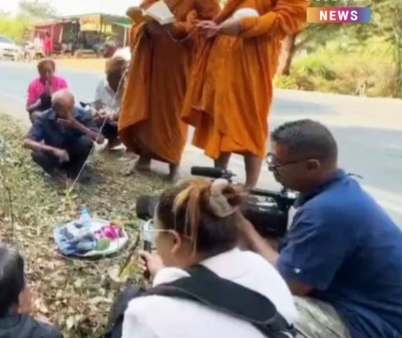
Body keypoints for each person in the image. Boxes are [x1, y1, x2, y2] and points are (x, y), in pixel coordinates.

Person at [238, 119, 402, 338]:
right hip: (366, 305)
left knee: (259, 310)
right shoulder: (341, 191)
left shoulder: (328, 211)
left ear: (312, 166)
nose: (272, 169)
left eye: (278, 164)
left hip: (372, 322)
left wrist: (243, 227)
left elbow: (288, 284)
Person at [181, 0, 310, 188]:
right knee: (221, 122)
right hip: (224, 63)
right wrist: (215, 28)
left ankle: (250, 186)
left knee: (250, 123)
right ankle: (220, 179)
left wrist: (246, 25)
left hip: (253, 64)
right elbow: (228, 17)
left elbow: (292, 17)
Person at [116, 178, 298, 337]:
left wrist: (165, 283)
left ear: (175, 241)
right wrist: (164, 276)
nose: (154, 238)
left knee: (127, 299)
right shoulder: (262, 269)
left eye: (155, 230)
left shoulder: (148, 313)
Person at [119, 0, 221, 180]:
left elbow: (212, 27)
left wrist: (176, 28)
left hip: (179, 66)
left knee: (173, 114)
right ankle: (144, 157)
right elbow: (137, 23)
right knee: (145, 110)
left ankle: (173, 163)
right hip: (150, 65)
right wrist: (145, 28)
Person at [24, 90, 102, 181]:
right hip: (54, 154)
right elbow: (27, 142)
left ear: (73, 103)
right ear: (54, 108)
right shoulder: (44, 117)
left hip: (74, 154)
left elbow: (100, 139)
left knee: (85, 142)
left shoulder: (83, 114)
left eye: (70, 107)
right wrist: (54, 150)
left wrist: (76, 125)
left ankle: (75, 168)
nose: (69, 112)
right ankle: (54, 172)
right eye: (63, 109)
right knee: (37, 153)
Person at [93, 56, 128, 149]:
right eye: (109, 79)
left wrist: (114, 117)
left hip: (124, 123)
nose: (111, 83)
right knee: (93, 119)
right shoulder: (102, 82)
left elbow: (133, 112)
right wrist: (99, 112)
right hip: (107, 122)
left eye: (115, 80)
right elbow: (97, 104)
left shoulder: (130, 87)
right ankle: (112, 141)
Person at [26, 59, 69, 124]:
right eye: (43, 72)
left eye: (49, 71)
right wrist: (40, 102)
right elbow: (29, 108)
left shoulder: (61, 82)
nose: (47, 75)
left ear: (53, 71)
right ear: (39, 72)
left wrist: (54, 97)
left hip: (58, 112)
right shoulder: (33, 85)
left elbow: (68, 101)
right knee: (35, 115)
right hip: (41, 112)